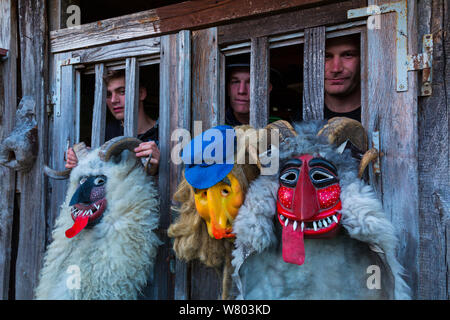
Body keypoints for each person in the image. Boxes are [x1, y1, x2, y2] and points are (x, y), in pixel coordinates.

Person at [65, 70, 160, 173]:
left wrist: (161, 166)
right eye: (108, 95)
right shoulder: (105, 133)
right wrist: (76, 158)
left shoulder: (163, 133)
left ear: (141, 93)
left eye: (122, 92)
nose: (113, 100)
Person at [324, 35, 361, 122]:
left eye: (348, 55)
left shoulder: (388, 114)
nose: (336, 69)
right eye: (326, 56)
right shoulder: (298, 120)